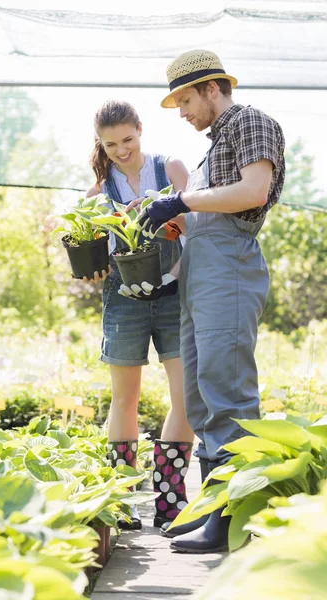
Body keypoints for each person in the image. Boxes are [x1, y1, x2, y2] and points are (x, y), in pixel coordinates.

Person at [119, 49, 285, 552]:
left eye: (187, 100)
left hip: (229, 271)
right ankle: (215, 508)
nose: (184, 113)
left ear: (213, 88)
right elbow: (209, 207)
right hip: (200, 272)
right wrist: (175, 225)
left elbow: (254, 190)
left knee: (226, 389)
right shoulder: (213, 147)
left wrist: (184, 199)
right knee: (198, 393)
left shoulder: (251, 122)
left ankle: (235, 516)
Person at [85, 99, 195, 530]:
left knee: (184, 395)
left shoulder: (170, 169)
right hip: (123, 297)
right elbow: (92, 254)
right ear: (101, 144)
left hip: (172, 292)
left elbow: (198, 226)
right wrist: (93, 267)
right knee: (125, 397)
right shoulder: (97, 192)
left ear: (141, 131)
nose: (121, 150)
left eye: (127, 139)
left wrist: (161, 212)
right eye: (110, 144)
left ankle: (170, 499)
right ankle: (123, 501)